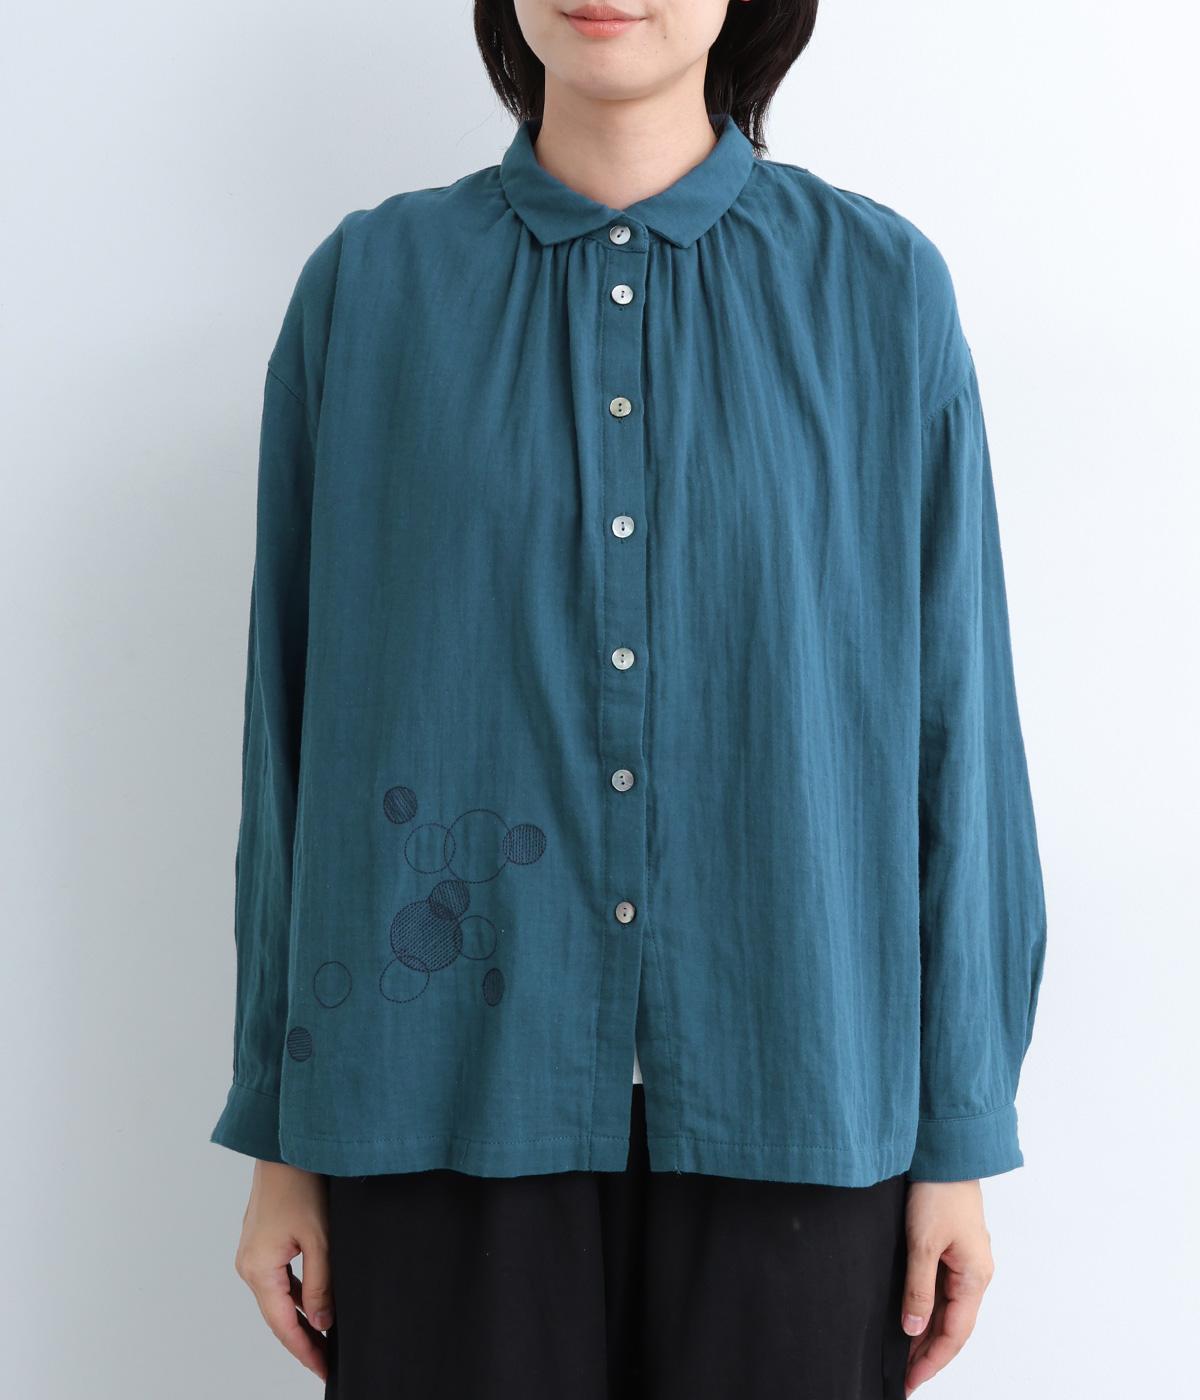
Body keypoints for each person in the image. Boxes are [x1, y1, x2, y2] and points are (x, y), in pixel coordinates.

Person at [211, 2, 1048, 1397]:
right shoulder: (369, 291)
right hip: (437, 1096)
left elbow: (959, 734)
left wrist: (958, 1134)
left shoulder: (881, 291)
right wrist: (280, 1130)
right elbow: (289, 734)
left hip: (805, 1090)